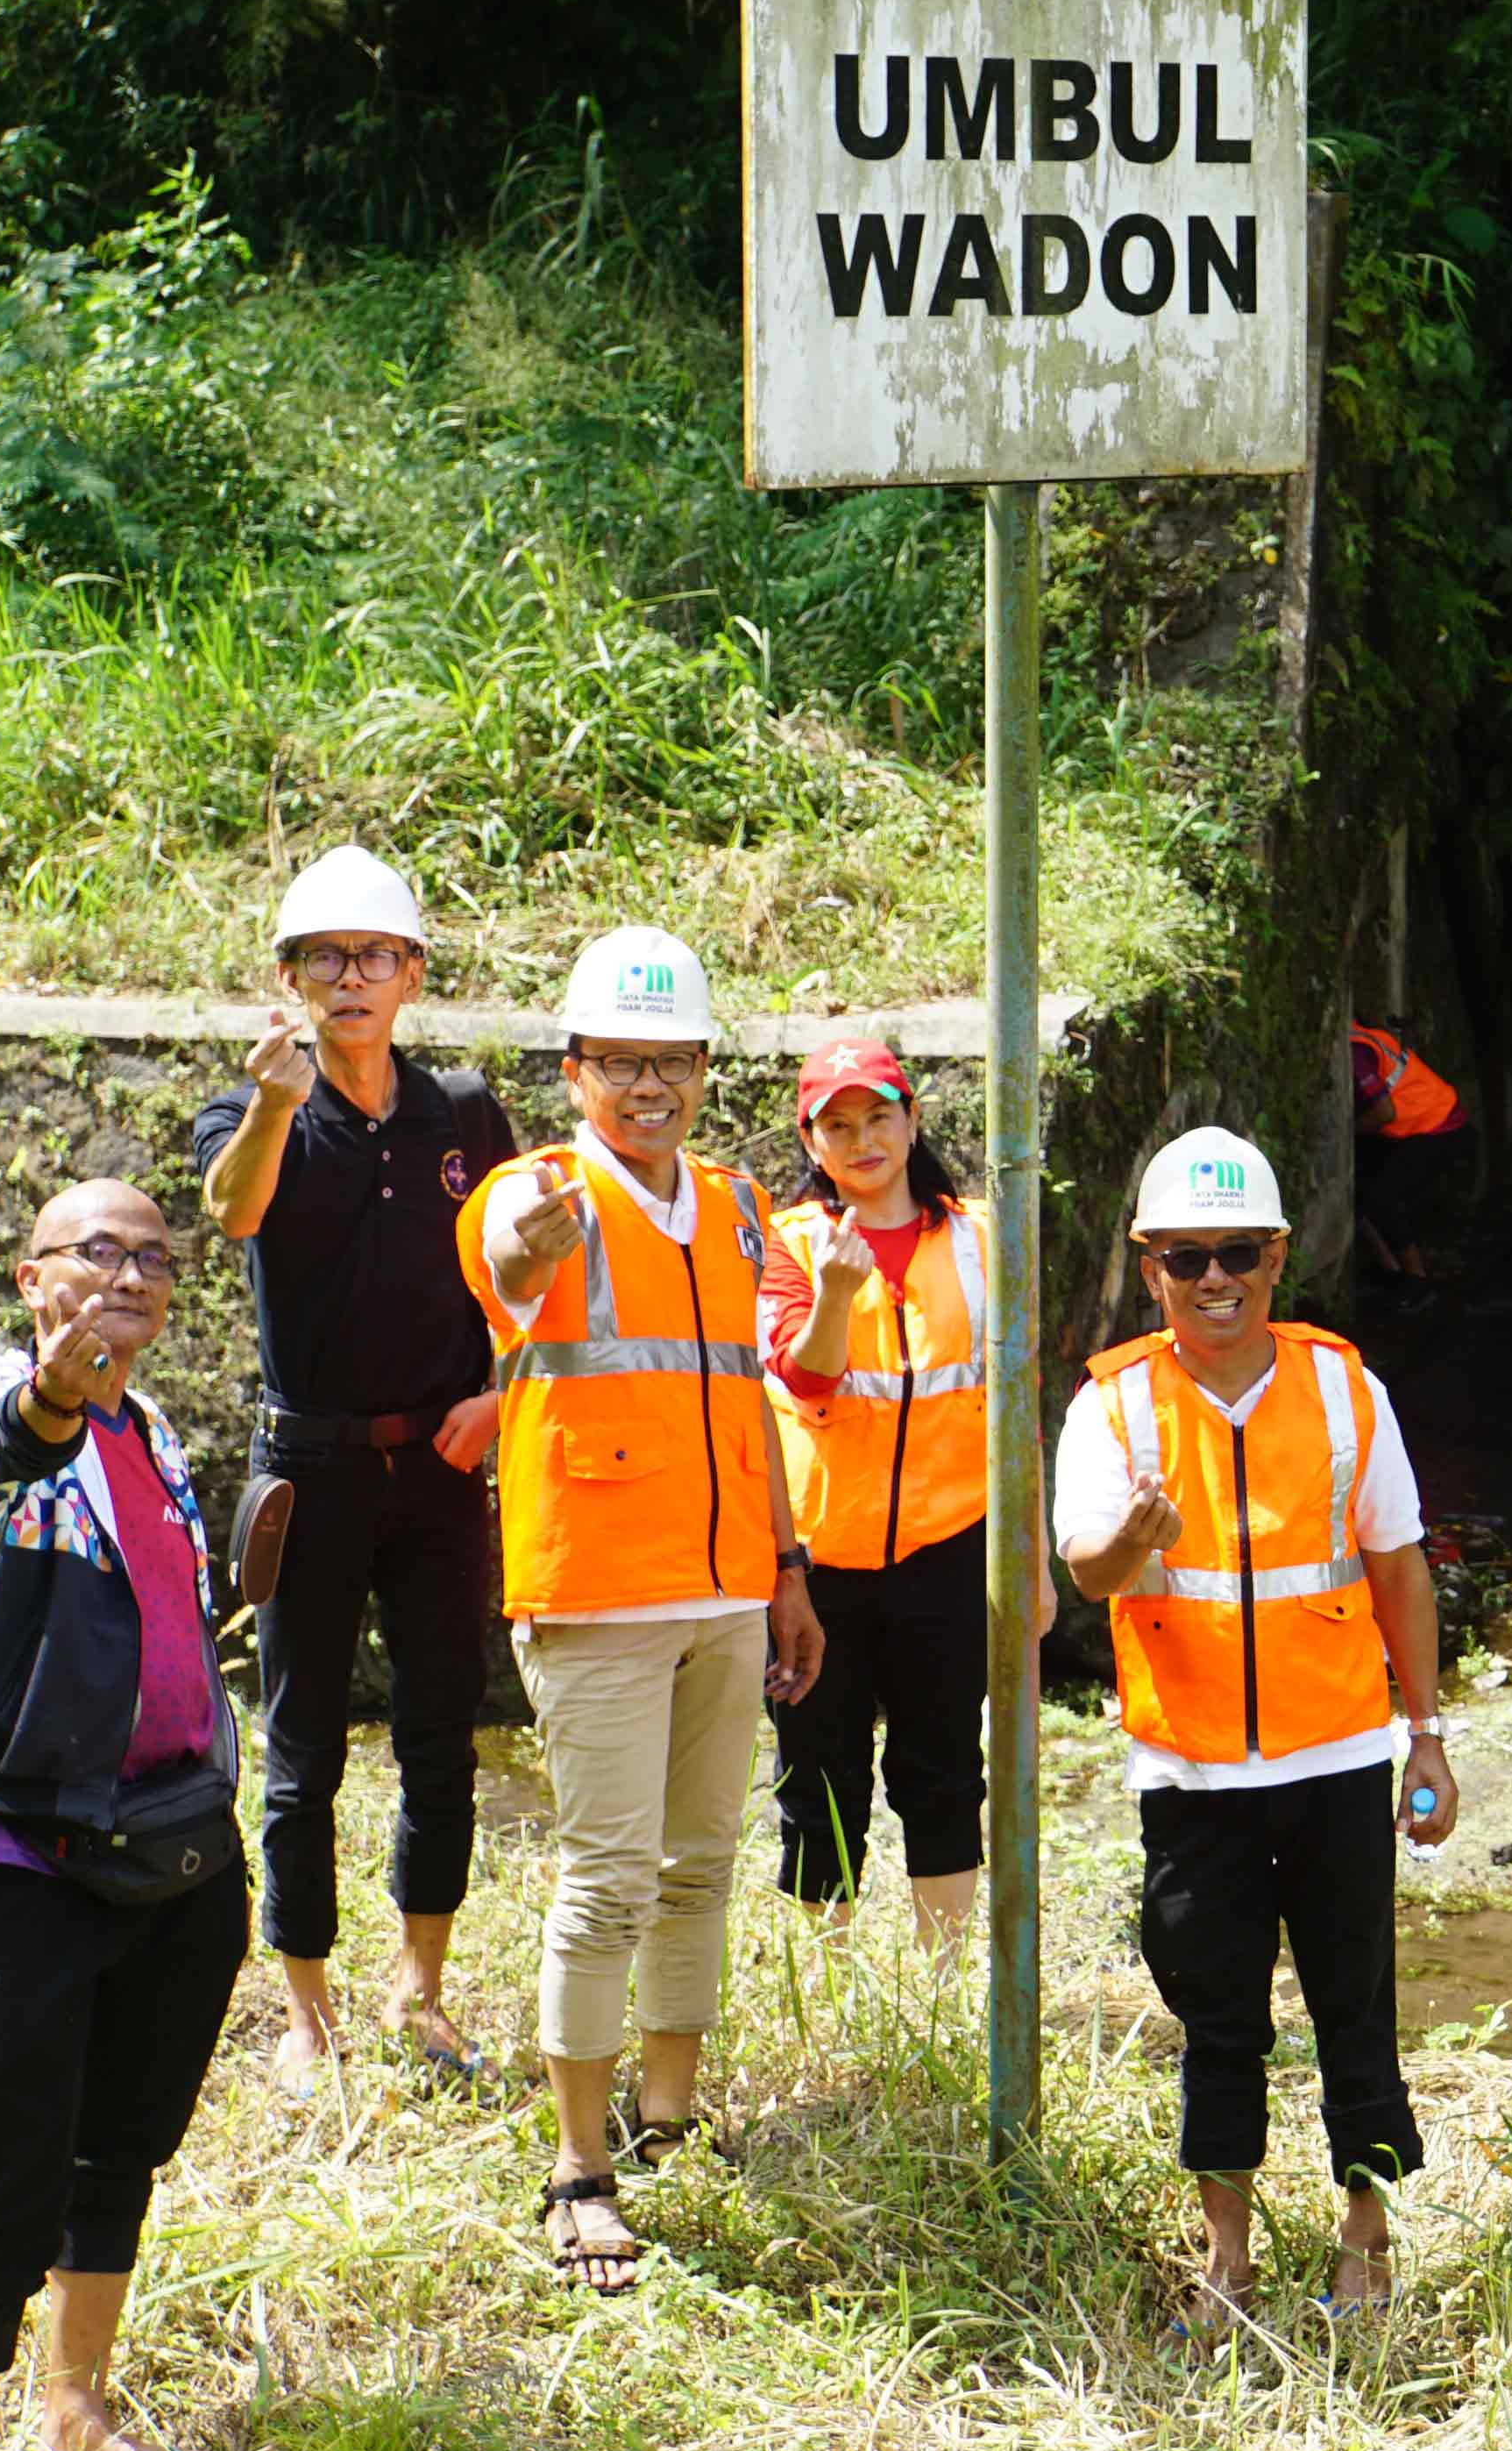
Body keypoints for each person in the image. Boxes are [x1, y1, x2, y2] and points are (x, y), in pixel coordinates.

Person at [458, 925, 823, 2295]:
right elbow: (508, 1259)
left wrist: (786, 1572)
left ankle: (671, 2115)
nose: (648, 1085)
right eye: (622, 1061)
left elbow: (751, 1395)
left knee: (702, 1864)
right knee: (606, 1877)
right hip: (597, 1590)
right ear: (575, 1072)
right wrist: (530, 1247)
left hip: (728, 1588)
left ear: (705, 1067)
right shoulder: (530, 1191)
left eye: (670, 1061)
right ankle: (578, 2166)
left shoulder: (733, 1205)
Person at [1054, 1126, 1459, 2319]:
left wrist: (1424, 1735)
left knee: (1357, 2015)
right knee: (1216, 2021)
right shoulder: (1114, 1407)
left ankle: (1367, 2246)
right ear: (1150, 1267)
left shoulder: (1343, 1387)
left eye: (1238, 1251)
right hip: (1190, 1777)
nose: (1214, 1277)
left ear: (1280, 1256)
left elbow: (1399, 1568)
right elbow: (1089, 1572)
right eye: (1188, 1258)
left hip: (1336, 1757)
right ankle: (1225, 2261)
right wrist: (1138, 1534)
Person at [0, 1179, 247, 2451]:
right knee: (5, 2175)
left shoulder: (157, 1429)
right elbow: (10, 1443)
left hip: (172, 1846)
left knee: (123, 2148)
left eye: (153, 1260)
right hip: (27, 1862)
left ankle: (79, 2403)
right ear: (28, 1276)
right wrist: (59, 1381)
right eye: (96, 1254)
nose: (127, 1278)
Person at [191, 844, 517, 2094]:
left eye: (375, 956)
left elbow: (529, 1268)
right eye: (325, 958)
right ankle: (306, 2010)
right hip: (310, 1468)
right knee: (302, 1748)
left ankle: (422, 1990)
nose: (350, 978)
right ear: (287, 976)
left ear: (414, 973)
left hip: (440, 1466)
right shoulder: (254, 1108)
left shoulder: (464, 1114)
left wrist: (501, 1394)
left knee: (445, 1733)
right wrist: (276, 1103)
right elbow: (233, 1211)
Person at [764, 1039, 1044, 1943]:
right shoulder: (788, 1244)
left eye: (879, 1115)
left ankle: (943, 1980)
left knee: (944, 1771)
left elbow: (1019, 1413)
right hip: (819, 1564)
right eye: (837, 1124)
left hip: (948, 1549)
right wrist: (840, 1296)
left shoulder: (979, 1241)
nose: (863, 1138)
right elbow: (804, 1379)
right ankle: (830, 1981)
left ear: (913, 1119)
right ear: (812, 1142)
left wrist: (1031, 1565)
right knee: (817, 1773)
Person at [1346, 1019, 1473, 1287]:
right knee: (1361, 1189)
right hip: (1430, 1118)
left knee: (1383, 1198)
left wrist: (1346, 1133)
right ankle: (1392, 1269)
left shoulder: (1356, 1052)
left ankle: (1416, 1282)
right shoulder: (1366, 1035)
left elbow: (1385, 1113)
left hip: (1437, 1126)